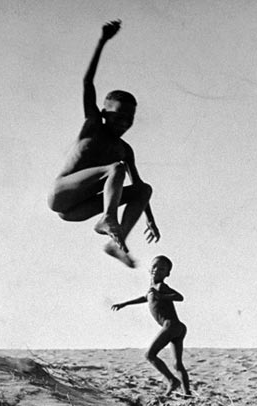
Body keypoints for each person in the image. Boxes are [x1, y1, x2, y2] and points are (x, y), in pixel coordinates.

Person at [47, 19, 159, 268]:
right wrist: (102, 42)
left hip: (79, 210)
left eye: (129, 119)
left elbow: (138, 186)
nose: (124, 123)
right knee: (116, 168)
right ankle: (109, 219)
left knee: (144, 189)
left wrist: (149, 219)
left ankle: (114, 242)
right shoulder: (94, 124)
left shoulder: (125, 149)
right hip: (62, 195)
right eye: (119, 116)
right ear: (105, 113)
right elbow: (88, 83)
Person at [112, 255, 190, 395]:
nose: (157, 270)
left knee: (150, 355)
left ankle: (172, 381)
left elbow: (179, 297)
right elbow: (145, 298)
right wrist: (124, 304)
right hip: (178, 327)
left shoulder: (161, 287)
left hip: (171, 326)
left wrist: (162, 296)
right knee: (177, 364)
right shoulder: (152, 288)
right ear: (149, 269)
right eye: (154, 267)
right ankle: (187, 393)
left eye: (162, 269)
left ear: (167, 274)